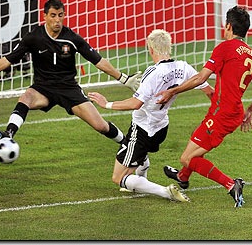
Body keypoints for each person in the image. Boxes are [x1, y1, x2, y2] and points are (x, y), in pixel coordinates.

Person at [0, 0, 142, 147]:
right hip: (43, 88)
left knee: (100, 125)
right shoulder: (33, 37)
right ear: (45, 16)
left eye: (61, 15)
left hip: (68, 89)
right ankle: (9, 134)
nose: (57, 20)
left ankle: (126, 144)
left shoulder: (72, 38)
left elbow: (98, 61)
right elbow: (9, 59)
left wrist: (123, 78)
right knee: (26, 97)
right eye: (53, 15)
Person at [156, 6, 252, 207]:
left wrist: (171, 91)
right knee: (195, 146)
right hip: (232, 112)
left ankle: (231, 184)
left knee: (187, 158)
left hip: (222, 114)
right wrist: (250, 110)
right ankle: (183, 178)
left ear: (228, 26)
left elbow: (201, 77)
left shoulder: (224, 48)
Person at [88, 29, 213, 202]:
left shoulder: (153, 73)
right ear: (169, 47)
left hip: (141, 131)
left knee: (119, 178)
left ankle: (165, 192)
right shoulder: (183, 67)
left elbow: (135, 103)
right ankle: (142, 167)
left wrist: (107, 104)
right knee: (135, 163)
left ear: (151, 49)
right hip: (161, 128)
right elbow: (210, 92)